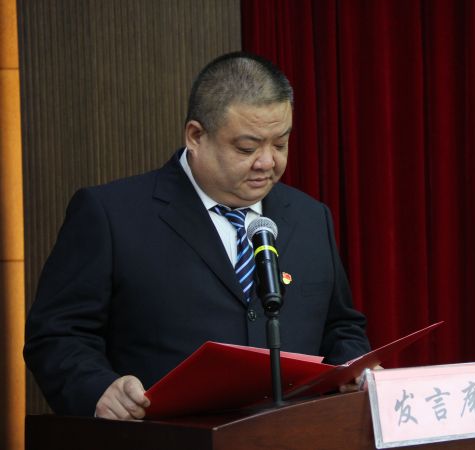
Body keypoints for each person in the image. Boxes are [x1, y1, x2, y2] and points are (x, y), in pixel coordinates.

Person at [24, 52, 371, 420]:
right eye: (247, 148)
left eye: (280, 144)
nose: (268, 162)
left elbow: (339, 325)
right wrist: (98, 388)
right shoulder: (111, 214)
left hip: (294, 434)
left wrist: (356, 367)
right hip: (164, 435)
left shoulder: (310, 216)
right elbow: (57, 335)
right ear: (196, 136)